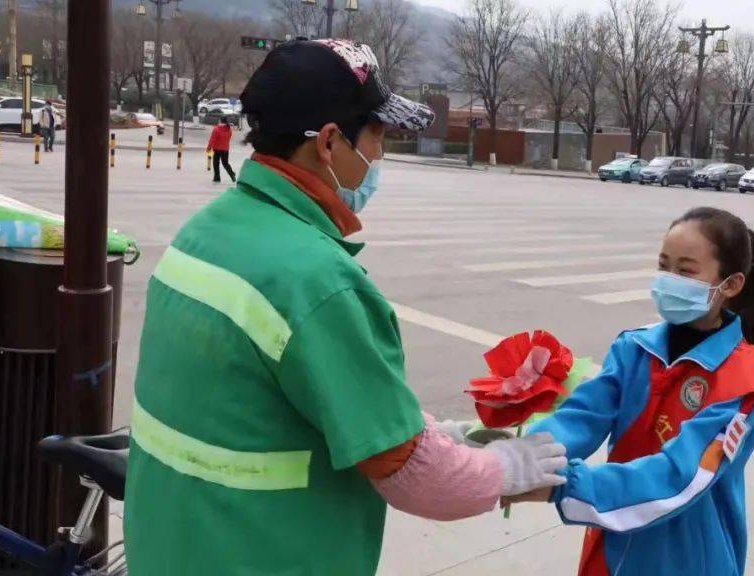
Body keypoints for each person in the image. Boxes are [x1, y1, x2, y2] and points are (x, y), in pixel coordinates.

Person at [124, 39, 567, 576]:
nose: (380, 153)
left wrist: (432, 433)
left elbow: (305, 402)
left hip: (174, 546)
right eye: (377, 134)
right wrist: (505, 468)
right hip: (261, 555)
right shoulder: (318, 281)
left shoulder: (209, 229)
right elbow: (412, 475)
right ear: (330, 142)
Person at [519, 207, 754, 576]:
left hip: (687, 557)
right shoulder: (635, 348)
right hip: (615, 542)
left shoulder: (740, 383)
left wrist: (566, 486)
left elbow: (682, 476)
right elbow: (583, 416)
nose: (670, 280)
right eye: (664, 265)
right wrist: (523, 454)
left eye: (686, 271)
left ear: (731, 285)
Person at [206, 115, 237, 183]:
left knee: (216, 163)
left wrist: (209, 147)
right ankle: (232, 174)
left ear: (220, 120)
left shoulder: (216, 129)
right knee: (225, 163)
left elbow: (212, 139)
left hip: (217, 149)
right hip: (225, 149)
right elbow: (229, 138)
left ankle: (217, 177)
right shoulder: (229, 129)